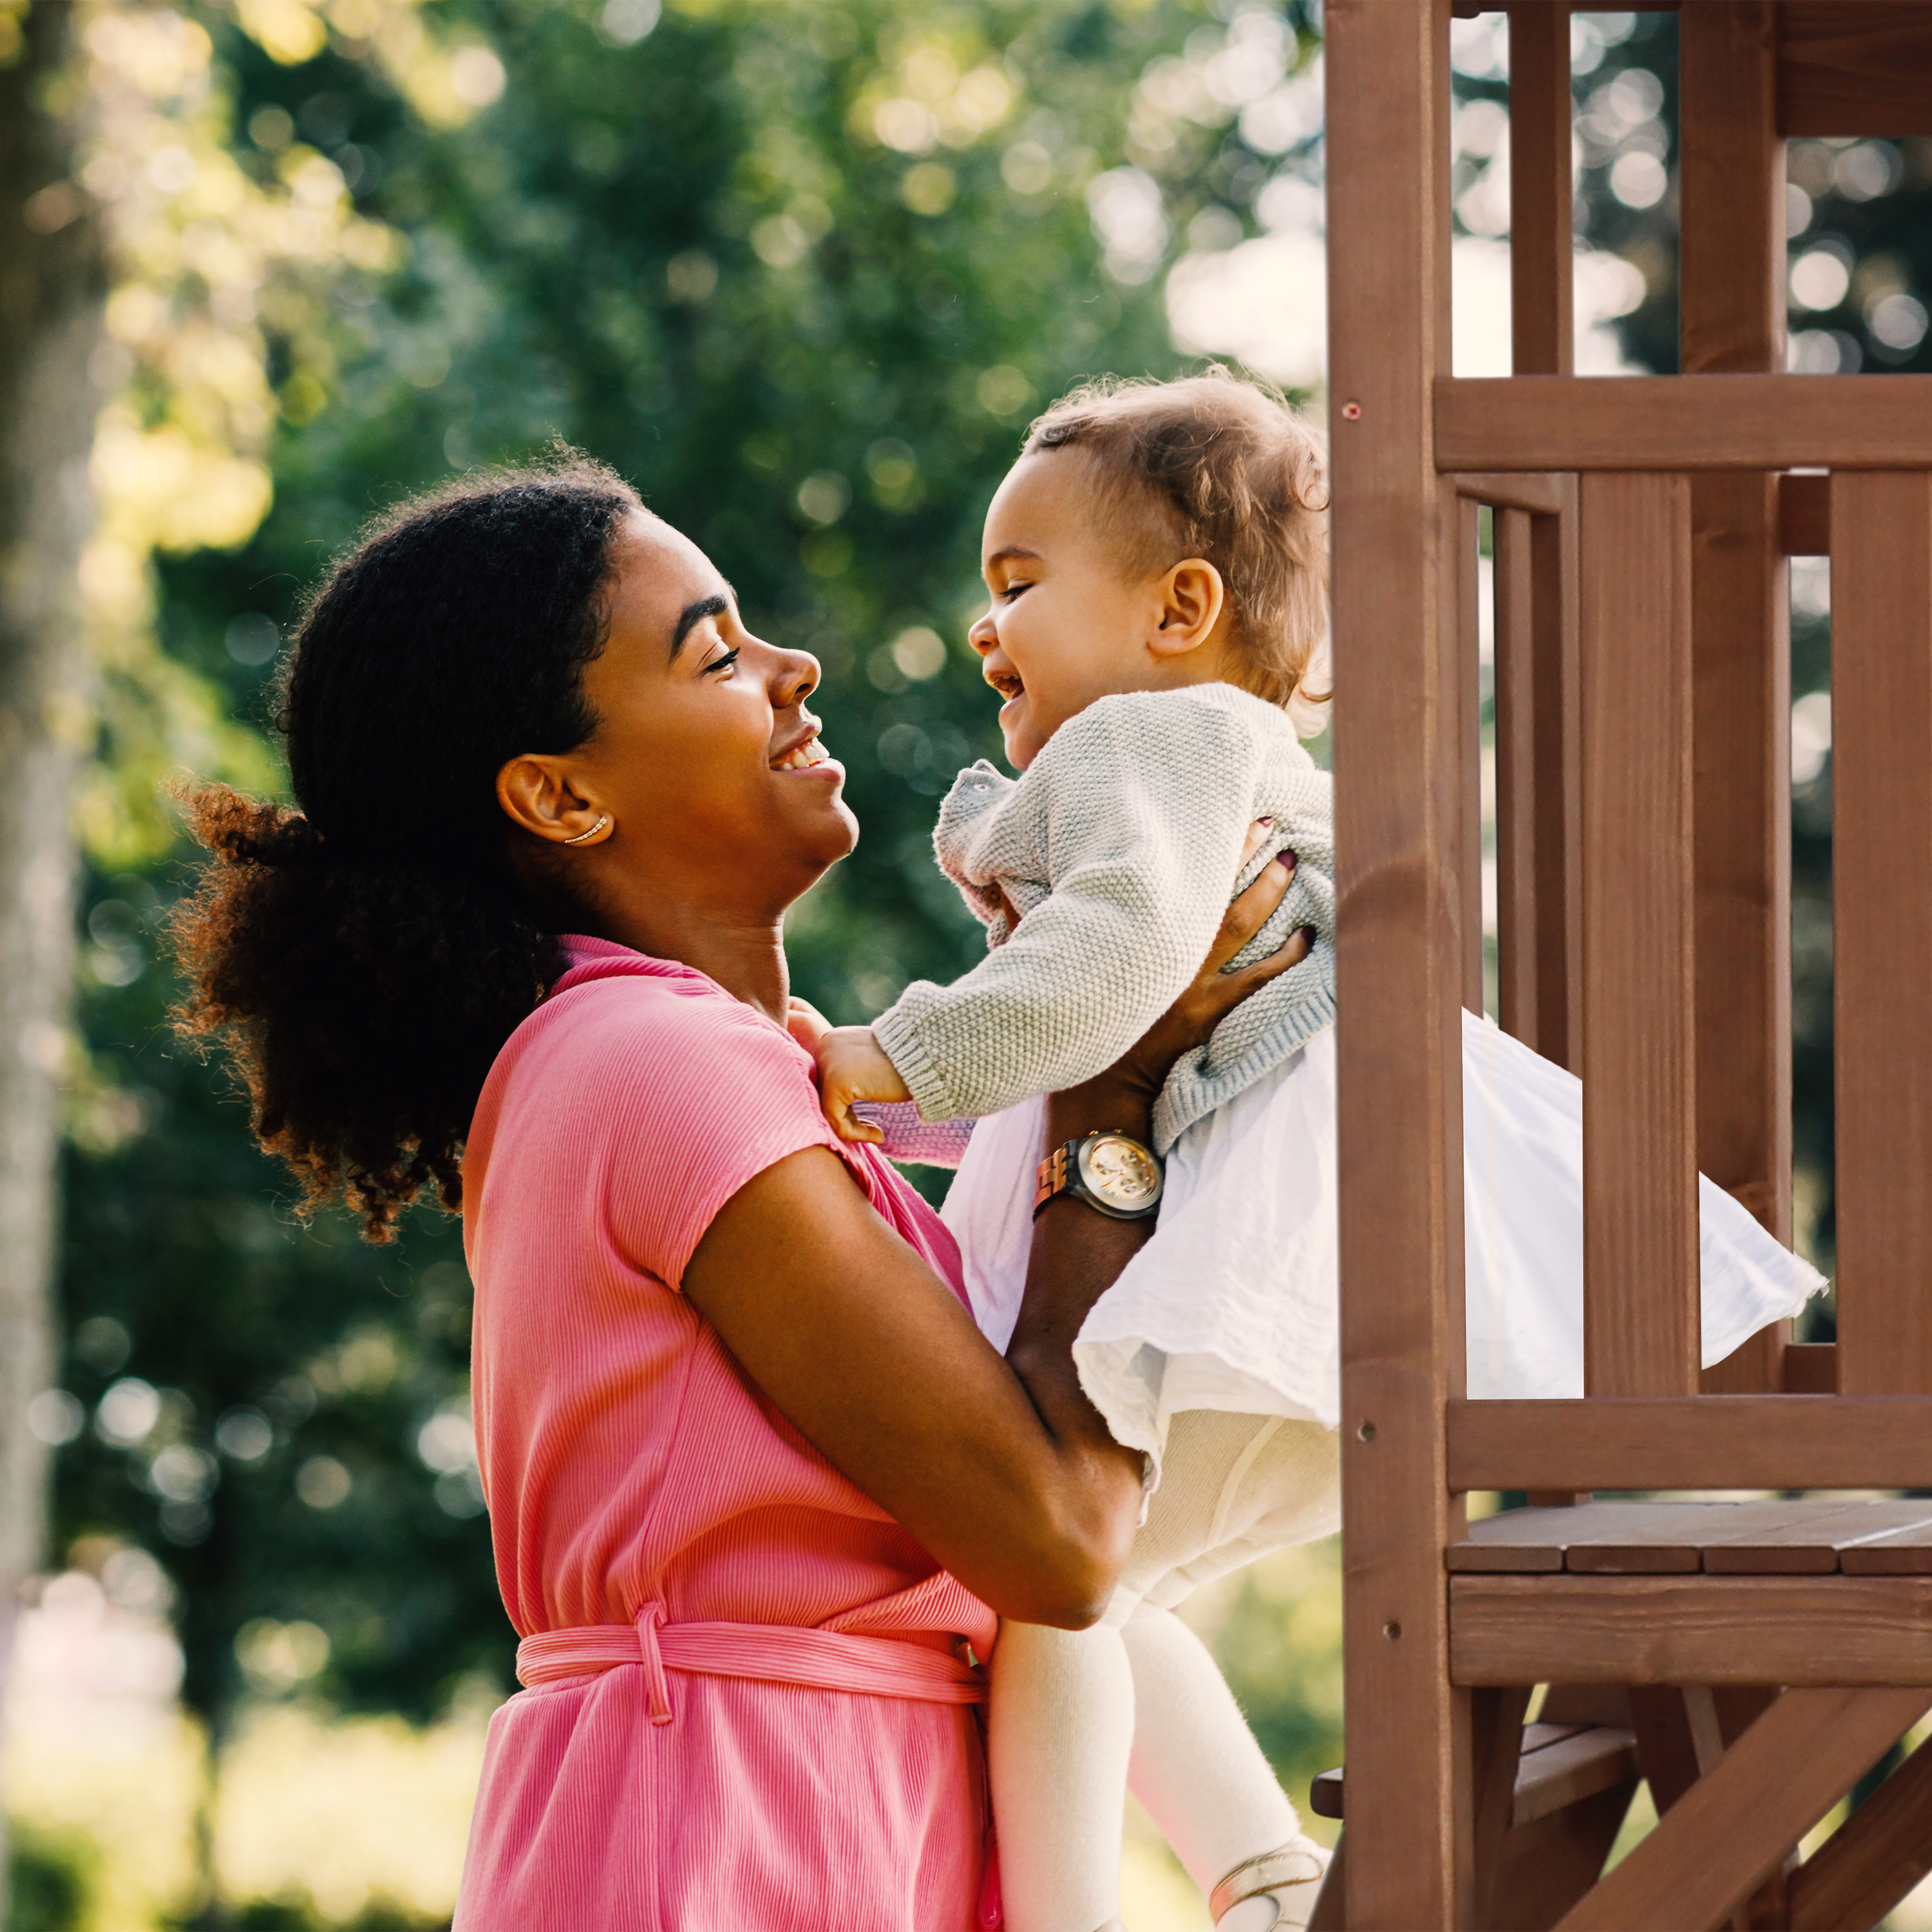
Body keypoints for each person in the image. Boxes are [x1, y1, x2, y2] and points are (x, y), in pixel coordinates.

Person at [166, 452, 1310, 1931]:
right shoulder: (654, 1065)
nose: (793, 666)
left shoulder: (740, 1069)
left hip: (812, 1806)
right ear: (563, 795)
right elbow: (1058, 1539)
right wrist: (1116, 1088)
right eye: (715, 652)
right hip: (725, 1830)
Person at [811, 371, 1827, 1932]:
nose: (980, 624)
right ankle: (1268, 1880)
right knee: (1099, 1578)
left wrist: (893, 1059)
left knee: (1050, 1580)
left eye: (1018, 585)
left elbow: (1114, 967)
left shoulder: (1154, 739)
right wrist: (908, 1099)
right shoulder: (1231, 751)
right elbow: (1097, 1034)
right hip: (1303, 1224)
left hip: (1255, 1221)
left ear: (1180, 607)